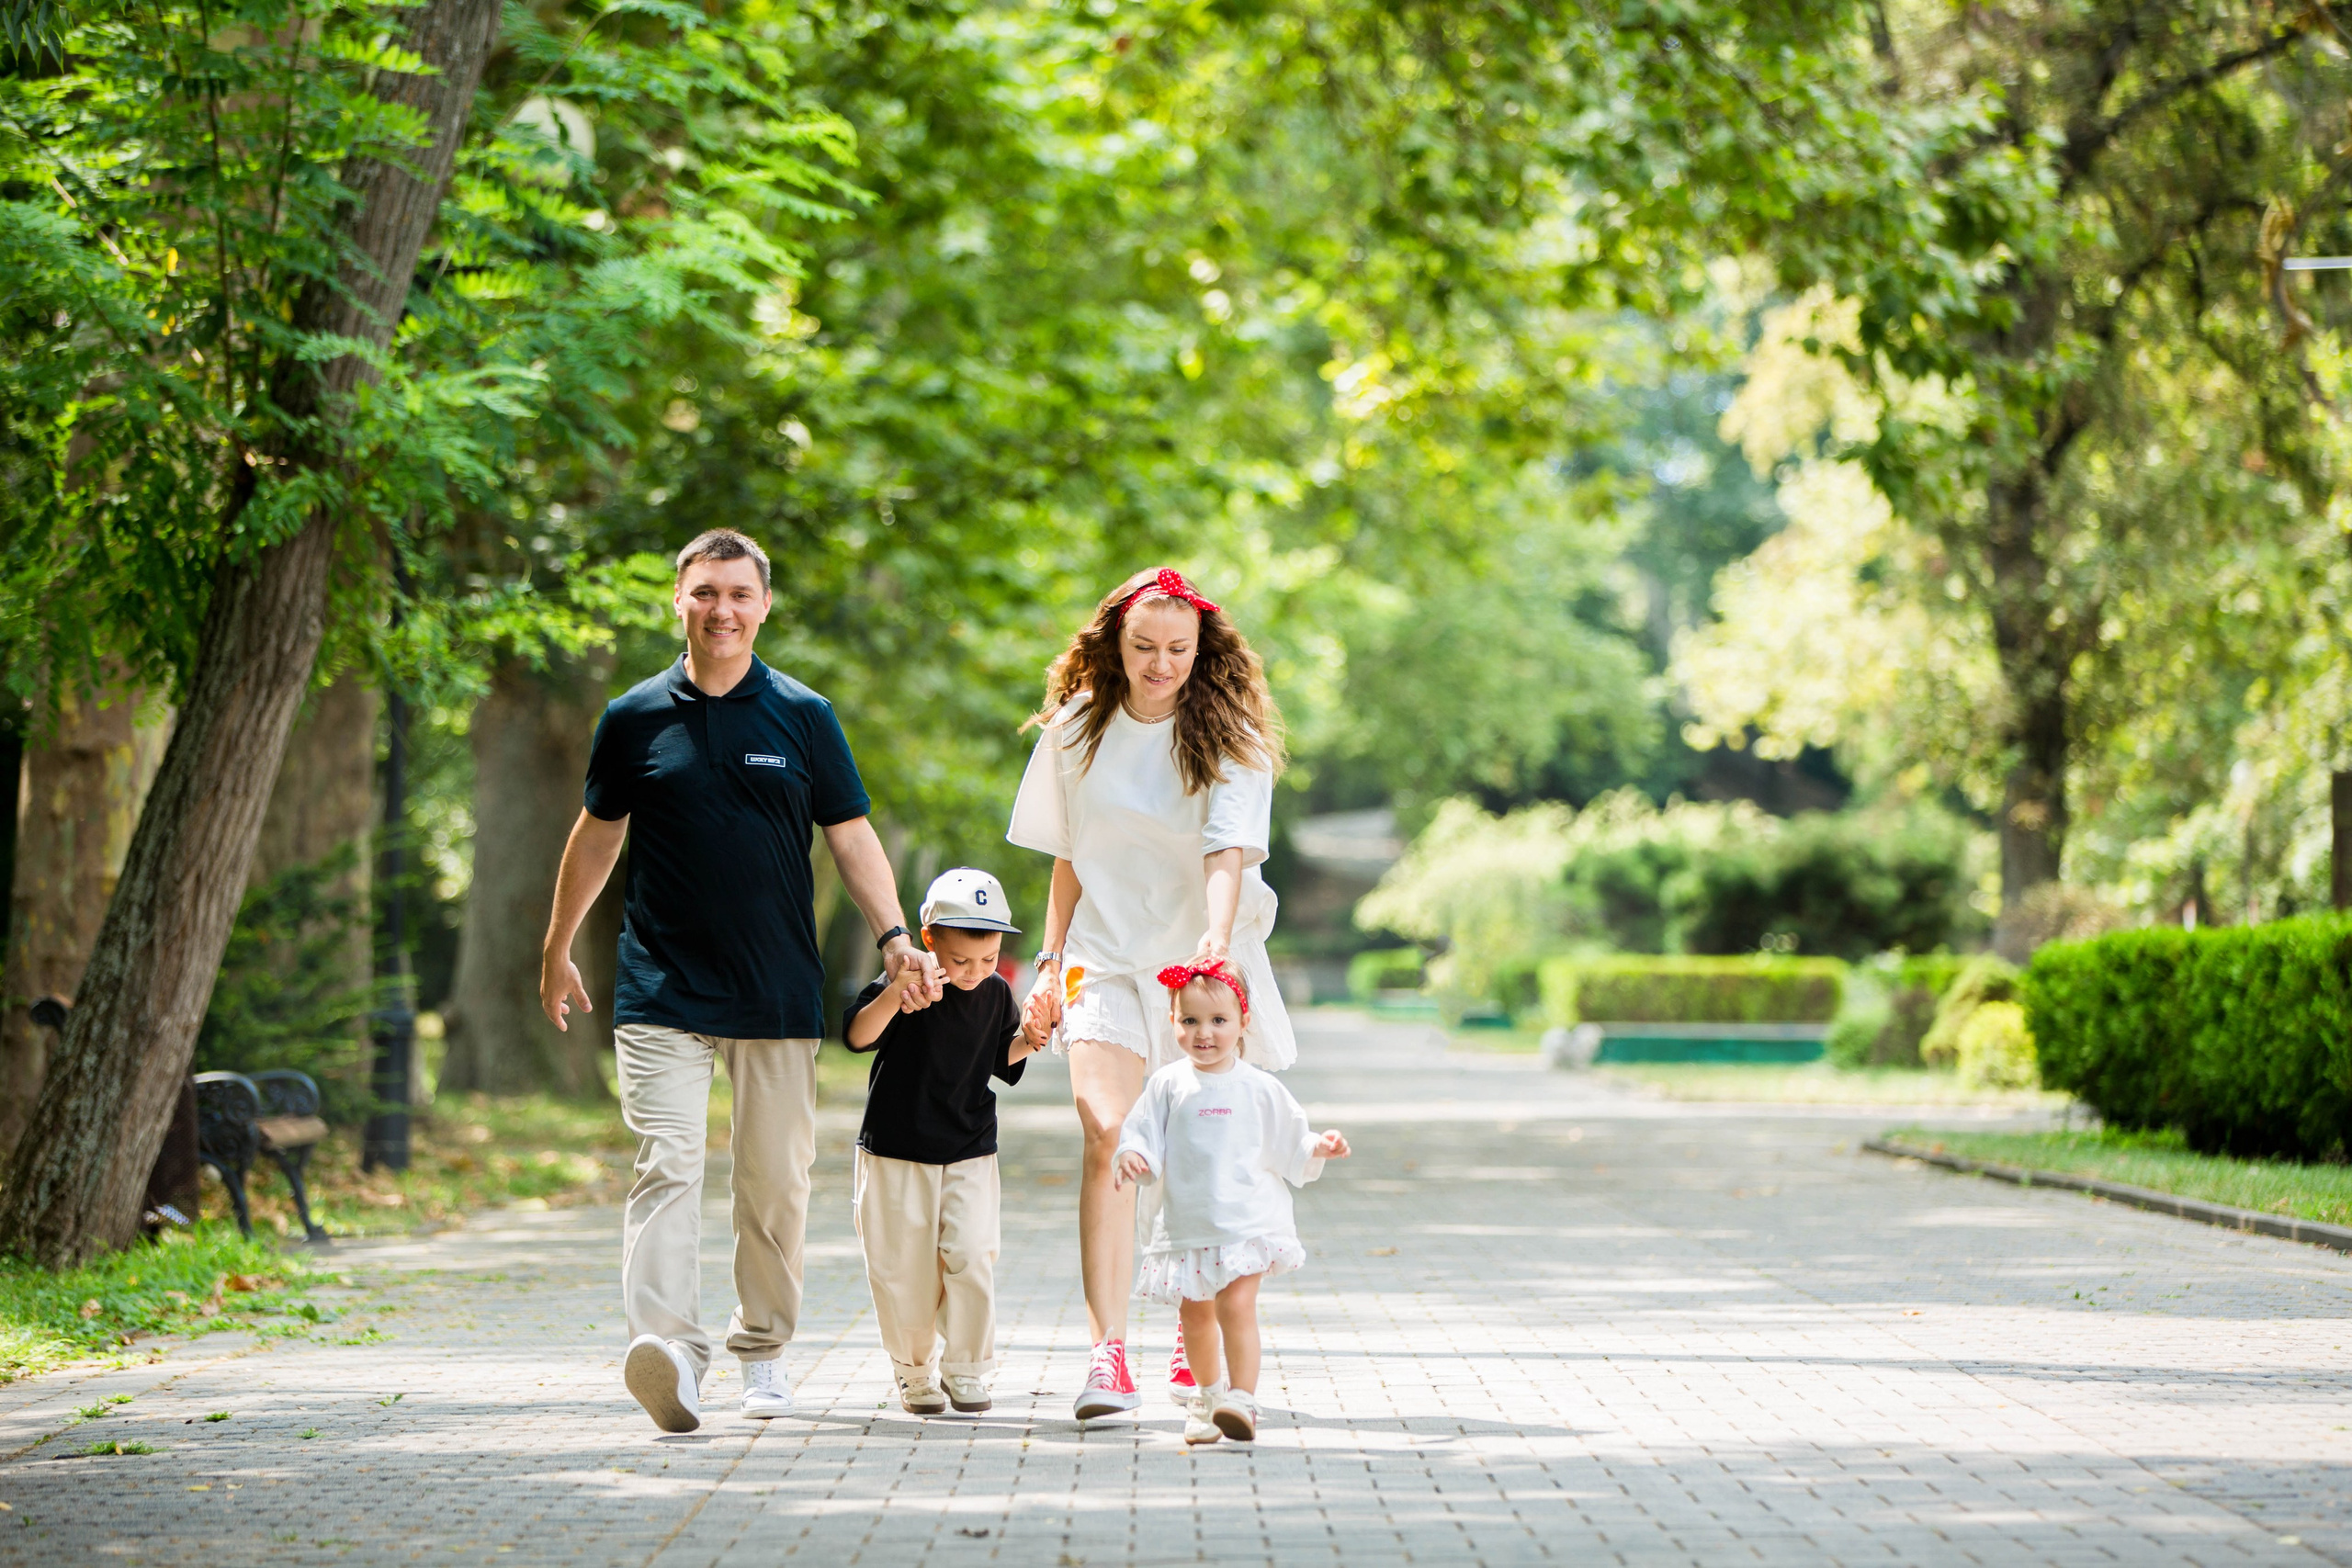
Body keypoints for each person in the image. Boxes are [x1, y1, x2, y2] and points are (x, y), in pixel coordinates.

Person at [538, 527, 942, 1434]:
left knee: (772, 1183)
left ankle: (762, 1350)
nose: (721, 610)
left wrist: (890, 935)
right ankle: (670, 1352)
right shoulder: (634, 717)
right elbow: (598, 834)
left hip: (774, 992)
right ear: (677, 600)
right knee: (667, 1163)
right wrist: (558, 942)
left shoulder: (803, 715)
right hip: (660, 988)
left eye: (738, 594)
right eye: (704, 592)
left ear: (764, 606)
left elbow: (849, 834)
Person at [1006, 566, 1293, 1420]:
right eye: (1143, 647)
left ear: (1202, 650)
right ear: (1114, 644)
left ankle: (1191, 1318)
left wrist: (1213, 937)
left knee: (1198, 1143)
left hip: (1195, 964)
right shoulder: (1074, 730)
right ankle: (1106, 1353)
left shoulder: (1230, 734)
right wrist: (1050, 961)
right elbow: (1067, 855)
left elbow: (1227, 849)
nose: (1160, 664)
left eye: (1178, 649)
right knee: (1109, 1132)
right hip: (1102, 953)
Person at [1114, 962, 1347, 1443]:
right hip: (1188, 1226)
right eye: (1190, 1021)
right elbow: (1140, 1133)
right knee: (1195, 1317)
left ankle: (1242, 1399)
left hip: (1246, 1224)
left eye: (1219, 1021)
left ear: (1243, 1023)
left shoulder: (1259, 1087)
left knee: (1236, 1306)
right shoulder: (1167, 1084)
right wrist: (1133, 1153)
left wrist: (1316, 1147)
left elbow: (1291, 1141)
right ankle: (1207, 1396)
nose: (1205, 1033)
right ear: (1173, 1024)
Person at [842, 867, 1042, 1416]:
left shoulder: (997, 991)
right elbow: (857, 1035)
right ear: (930, 939)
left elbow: (1002, 1058)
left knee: (973, 1255)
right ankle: (914, 1373)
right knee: (902, 1268)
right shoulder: (906, 980)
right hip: (896, 1148)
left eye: (988, 958)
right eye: (961, 961)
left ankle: (969, 1369)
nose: (975, 972)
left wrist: (1032, 1037)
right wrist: (898, 992)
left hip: (970, 1146)